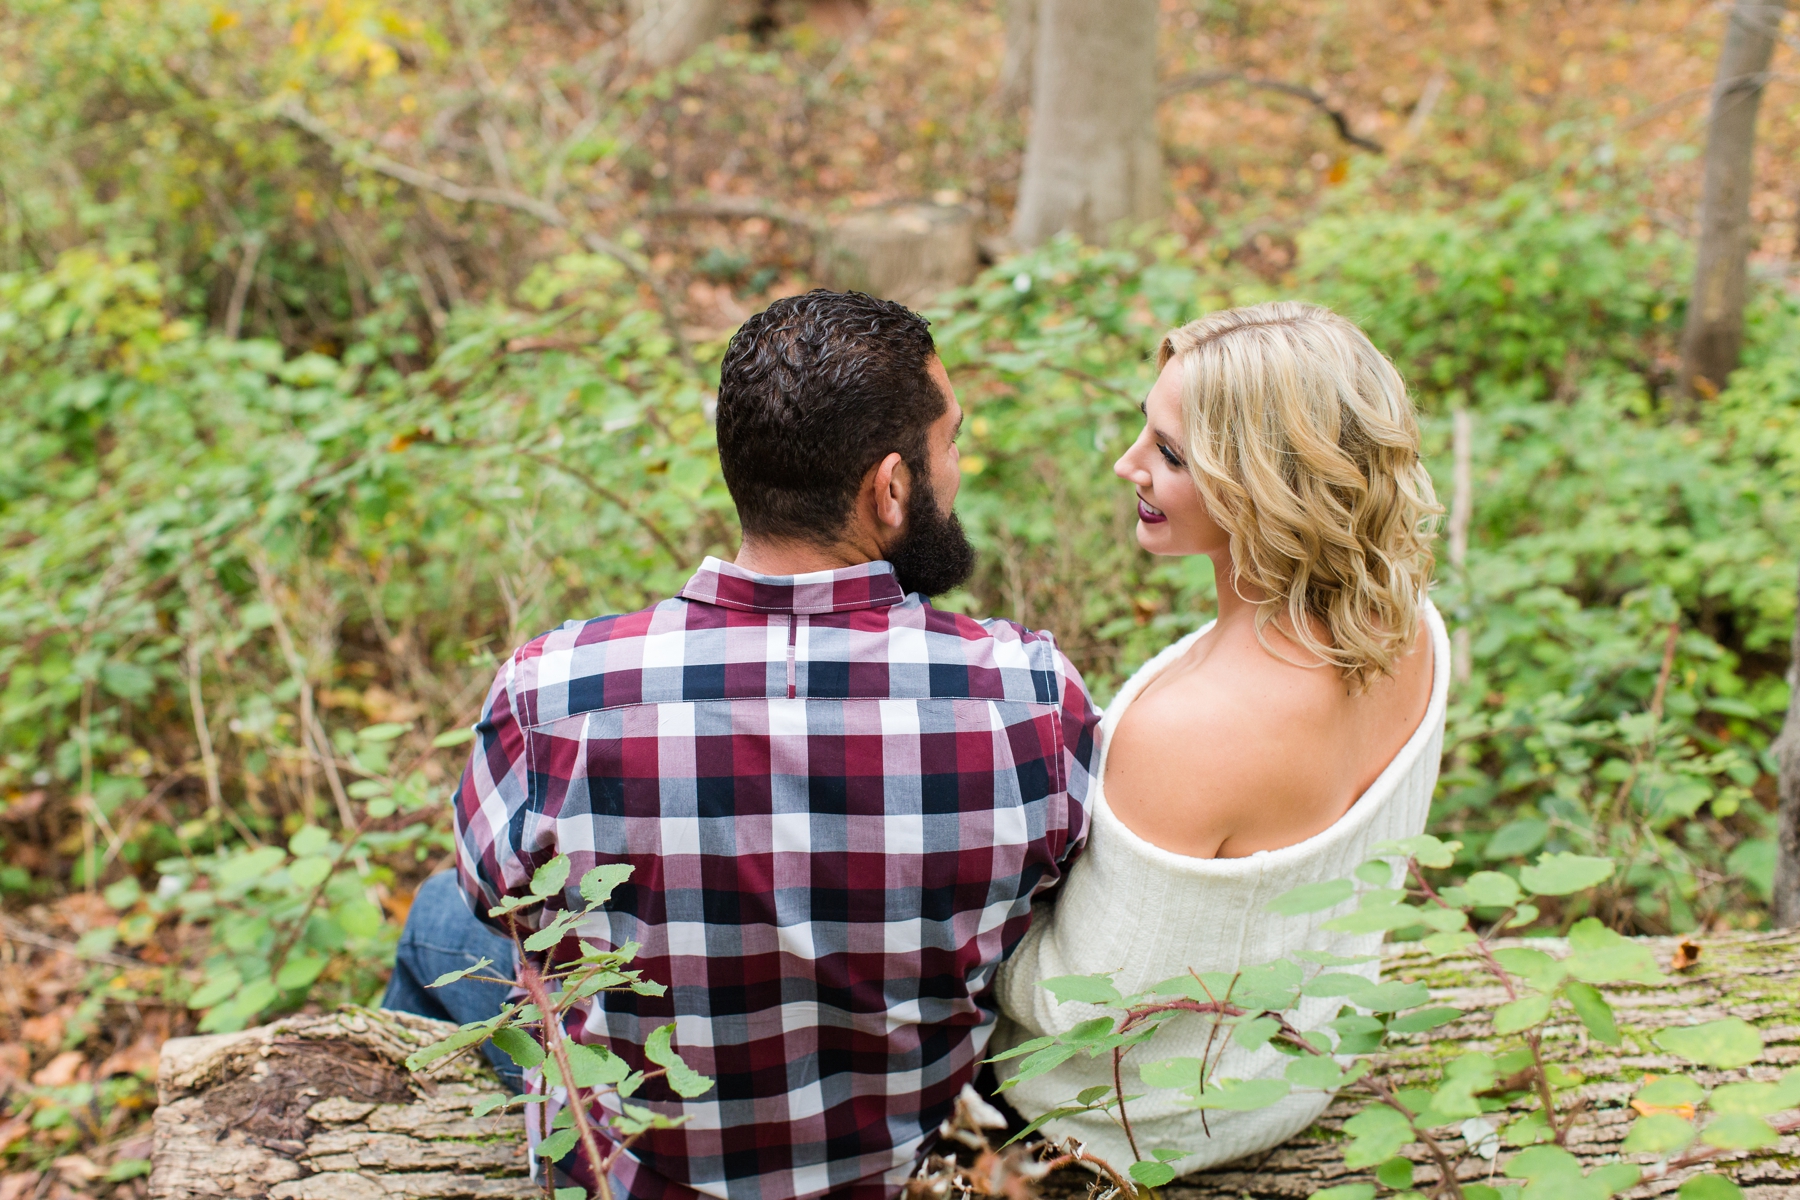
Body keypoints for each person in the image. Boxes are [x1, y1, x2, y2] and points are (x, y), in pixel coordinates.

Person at [388, 290, 1100, 1200]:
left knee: (436, 919)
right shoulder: (1027, 694)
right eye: (948, 442)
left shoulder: (554, 691)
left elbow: (501, 902)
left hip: (643, 1175)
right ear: (889, 488)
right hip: (906, 1167)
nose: (954, 469)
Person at [991, 301, 1448, 1176]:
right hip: (1299, 1066)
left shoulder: (1193, 730)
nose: (1129, 464)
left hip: (1139, 1122)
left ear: (1265, 483)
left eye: (1169, 453)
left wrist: (960, 935)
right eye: (1144, 430)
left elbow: (1083, 1007)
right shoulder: (1409, 629)